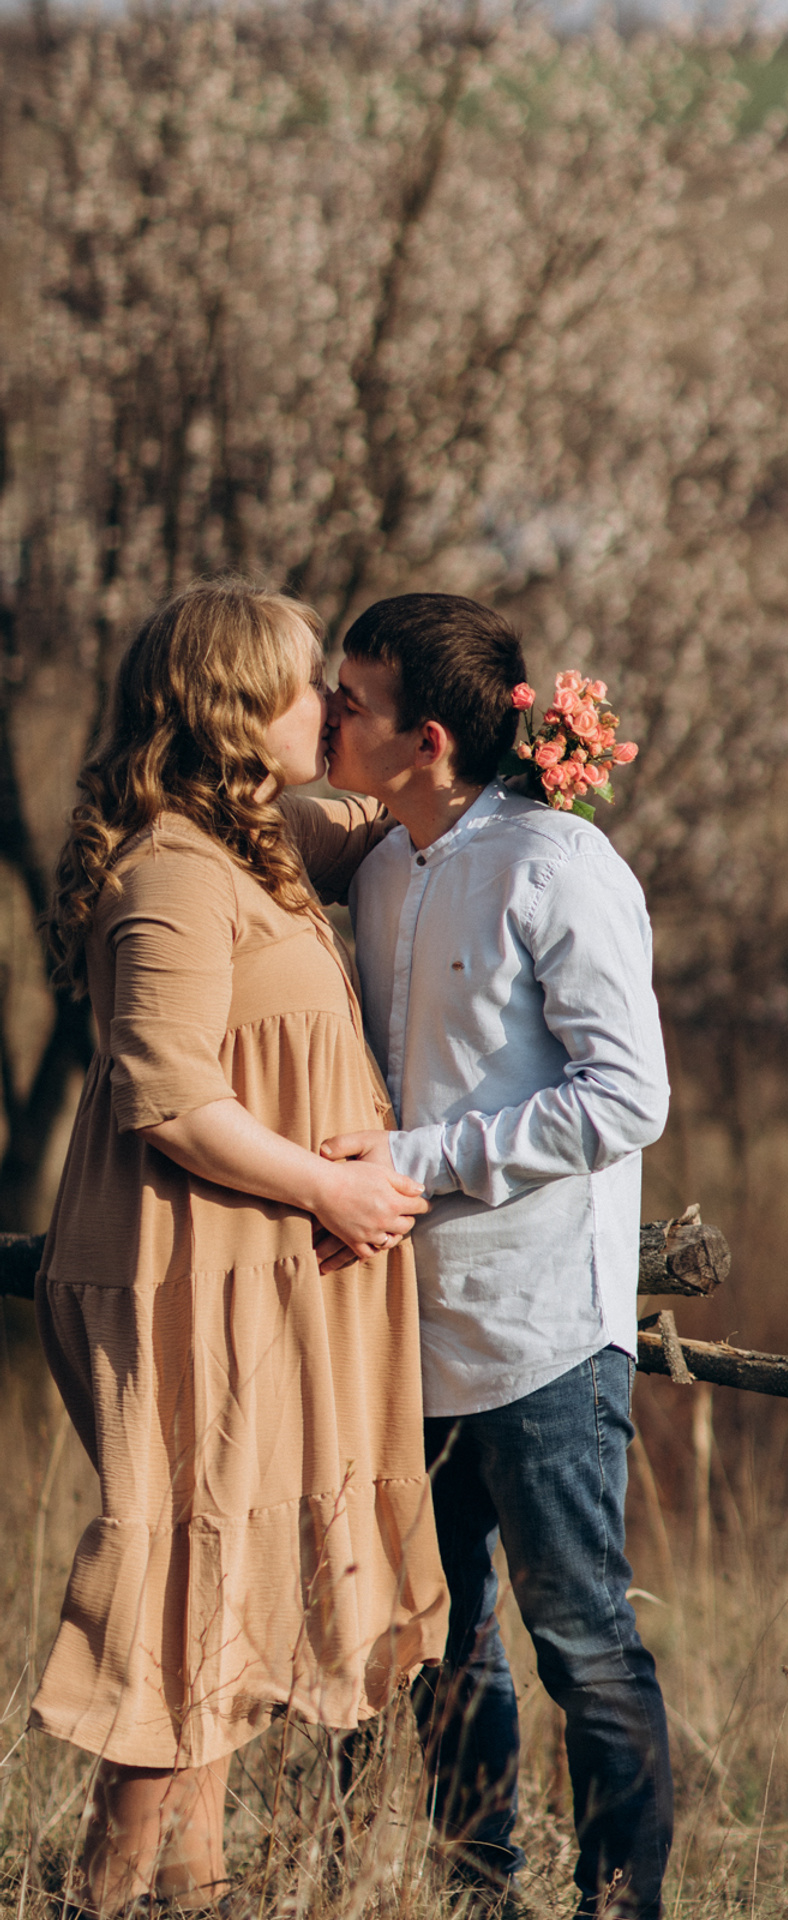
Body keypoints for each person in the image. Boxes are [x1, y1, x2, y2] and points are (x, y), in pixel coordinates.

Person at [31, 580, 448, 1913]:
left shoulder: (260, 842)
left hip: (245, 1268)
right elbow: (168, 1097)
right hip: (183, 1268)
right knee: (188, 1582)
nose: (328, 704)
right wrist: (329, 1193)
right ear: (230, 705)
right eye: (304, 683)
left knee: (232, 1584)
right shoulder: (171, 871)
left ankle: (191, 1888)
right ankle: (109, 1892)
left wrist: (518, 750)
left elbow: (409, 810)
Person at [317, 593, 673, 1920]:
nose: (327, 714)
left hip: (540, 1333)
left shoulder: (558, 865)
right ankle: (480, 1899)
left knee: (584, 1646)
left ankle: (620, 1906)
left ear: (427, 738)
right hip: (403, 1332)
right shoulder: (379, 868)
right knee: (446, 1648)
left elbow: (627, 1097)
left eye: (350, 700)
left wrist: (417, 1160)